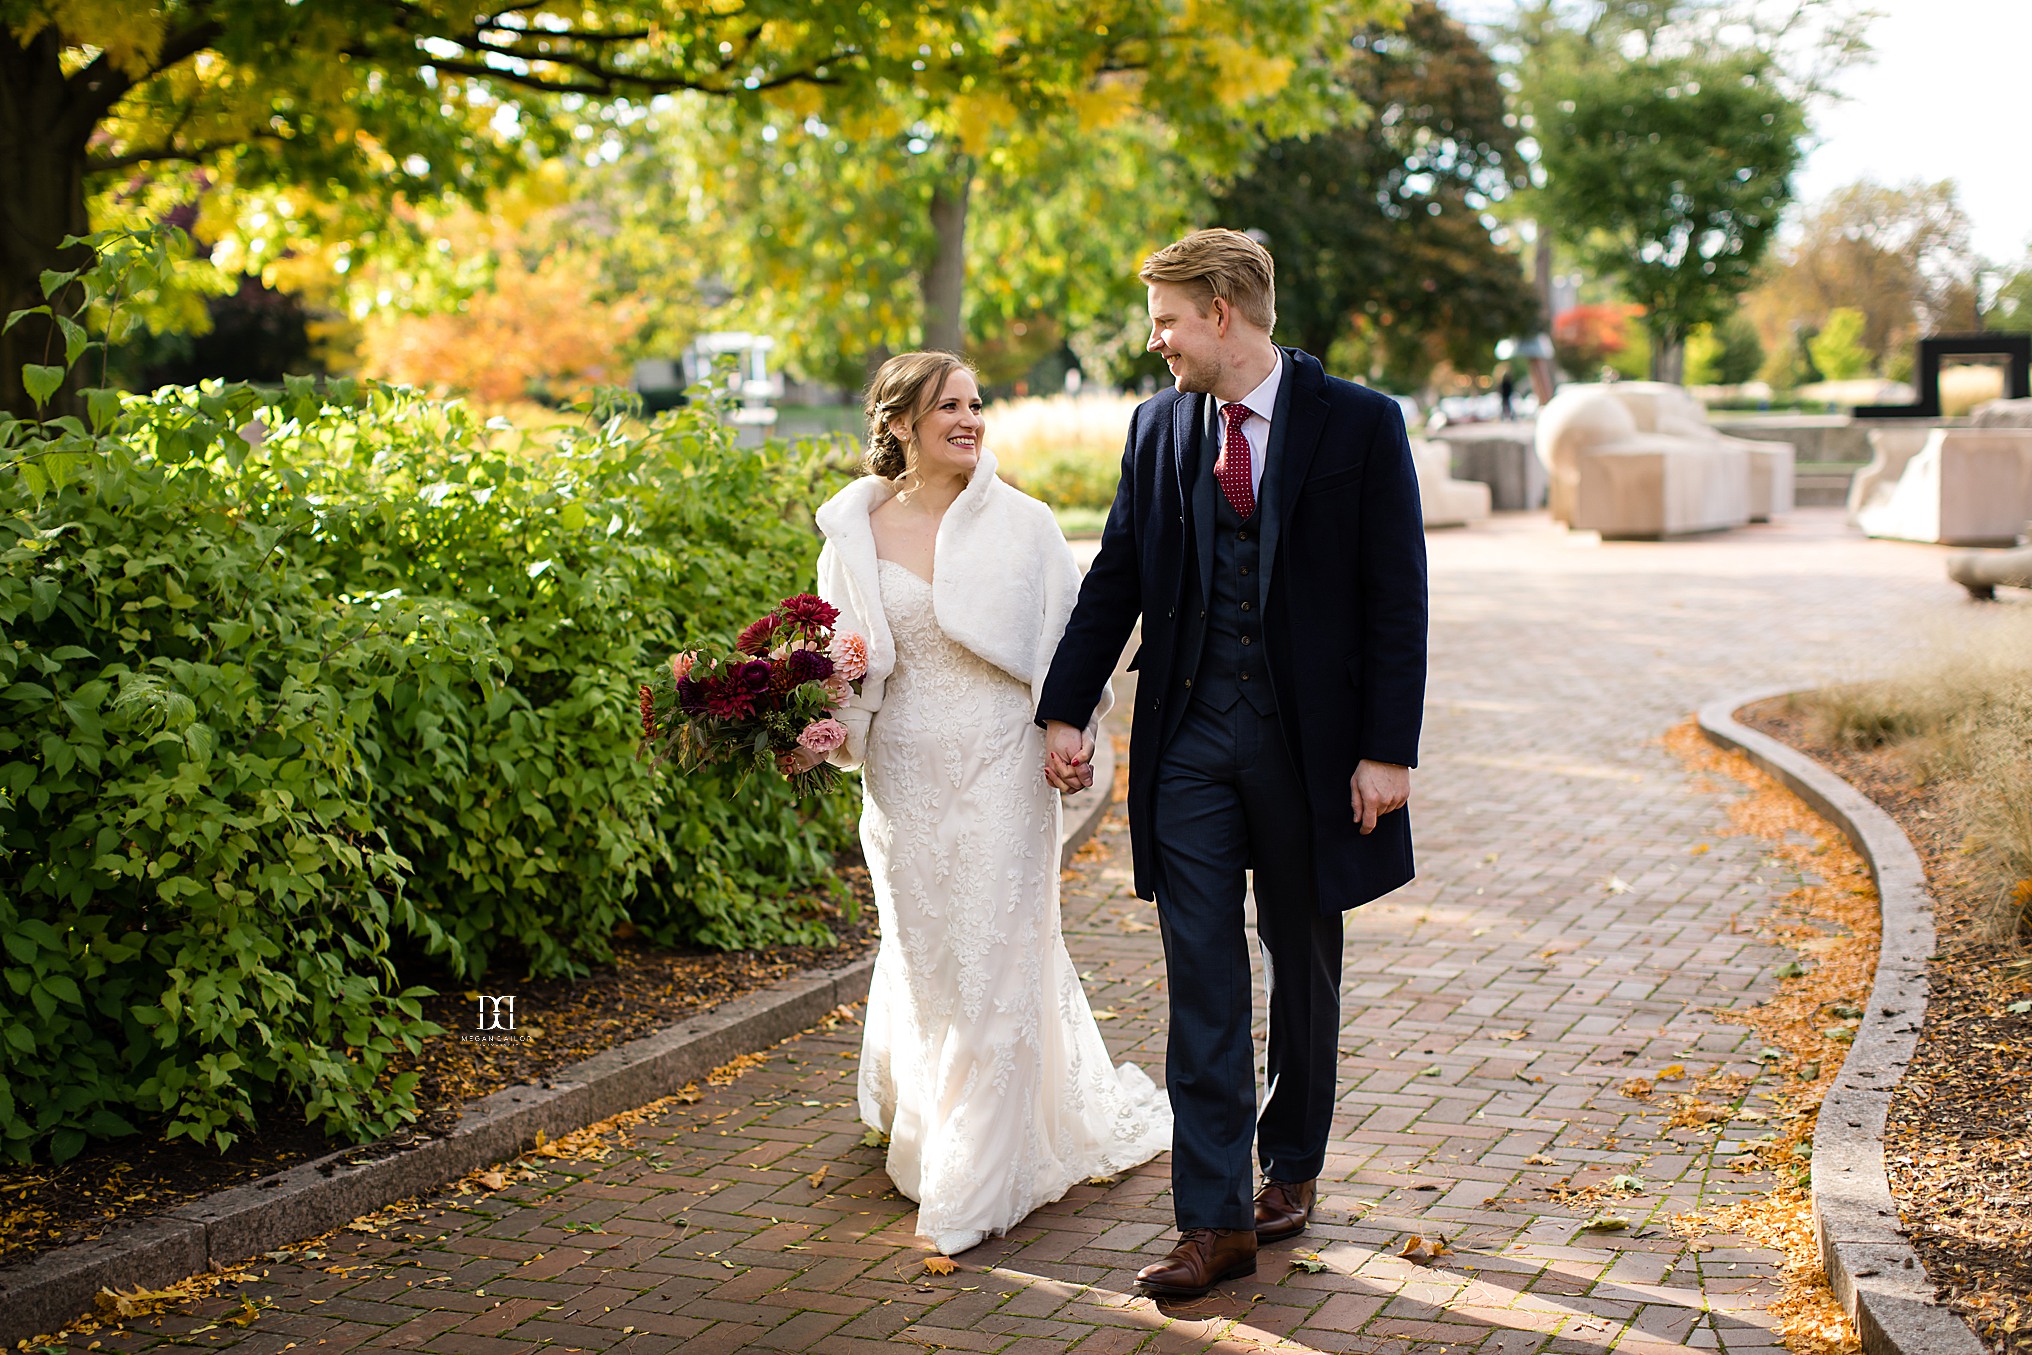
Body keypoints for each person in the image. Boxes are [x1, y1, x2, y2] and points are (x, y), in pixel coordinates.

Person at [1036, 229, 1429, 1298]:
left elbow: (1397, 595)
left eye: (1166, 318)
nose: (1155, 339)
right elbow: (1117, 571)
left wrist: (1386, 749)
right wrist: (1065, 709)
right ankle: (1212, 1219)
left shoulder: (1359, 421)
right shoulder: (1158, 426)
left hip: (1311, 750)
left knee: (1301, 964)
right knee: (1200, 978)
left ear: (1220, 310)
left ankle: (1289, 1164)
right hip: (1192, 742)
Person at [799, 350, 1171, 1257]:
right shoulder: (855, 531)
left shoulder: (1026, 524)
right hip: (904, 777)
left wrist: (1067, 728)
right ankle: (937, 1123)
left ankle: (976, 1179)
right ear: (898, 425)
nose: (970, 419)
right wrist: (808, 731)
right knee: (932, 957)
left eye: (976, 403)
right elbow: (837, 661)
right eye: (948, 407)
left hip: (1005, 764)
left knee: (1001, 951)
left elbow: (1073, 639)